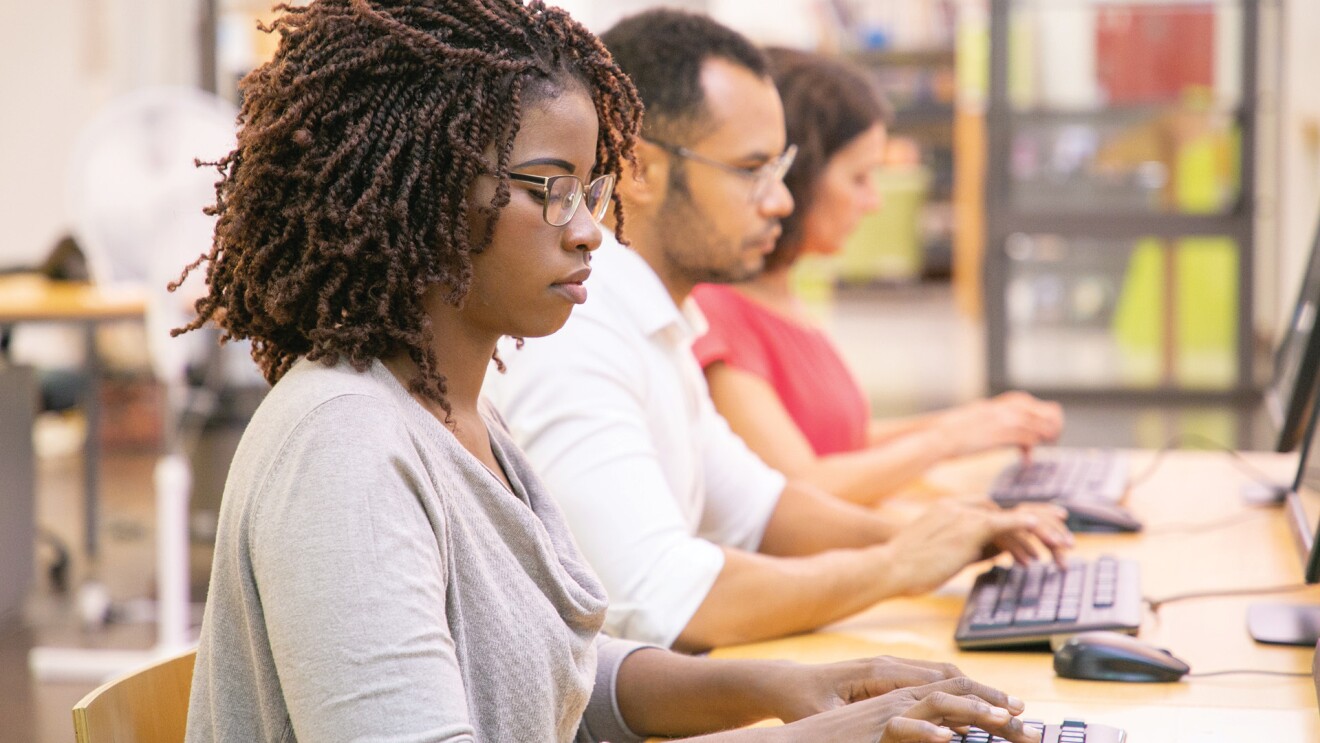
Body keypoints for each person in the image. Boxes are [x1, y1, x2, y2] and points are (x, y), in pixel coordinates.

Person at [175, 2, 1046, 741]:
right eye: (550, 186)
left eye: (591, 189)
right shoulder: (346, 447)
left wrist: (791, 689)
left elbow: (559, 671)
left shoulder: (457, 416)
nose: (591, 228)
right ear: (429, 189)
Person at [486, 7, 1072, 653]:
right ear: (642, 169)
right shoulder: (581, 332)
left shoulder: (656, 319)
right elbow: (663, 601)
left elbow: (760, 509)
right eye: (752, 170)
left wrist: (947, 533)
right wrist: (897, 565)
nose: (780, 201)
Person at [690, 47, 1064, 507]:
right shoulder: (716, 312)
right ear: (800, 177)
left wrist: (973, 424)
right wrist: (946, 439)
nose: (874, 202)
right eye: (859, 178)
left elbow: (839, 442)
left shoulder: (779, 294)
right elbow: (801, 488)